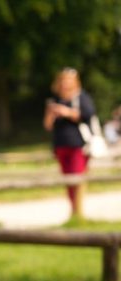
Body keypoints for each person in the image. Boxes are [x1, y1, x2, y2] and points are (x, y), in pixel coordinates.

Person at [43, 67, 96, 216]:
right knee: (67, 179)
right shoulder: (55, 100)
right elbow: (47, 125)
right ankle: (73, 209)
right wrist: (52, 113)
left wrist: (66, 112)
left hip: (78, 144)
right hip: (61, 144)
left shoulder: (80, 98)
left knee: (77, 177)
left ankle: (78, 211)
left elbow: (88, 114)